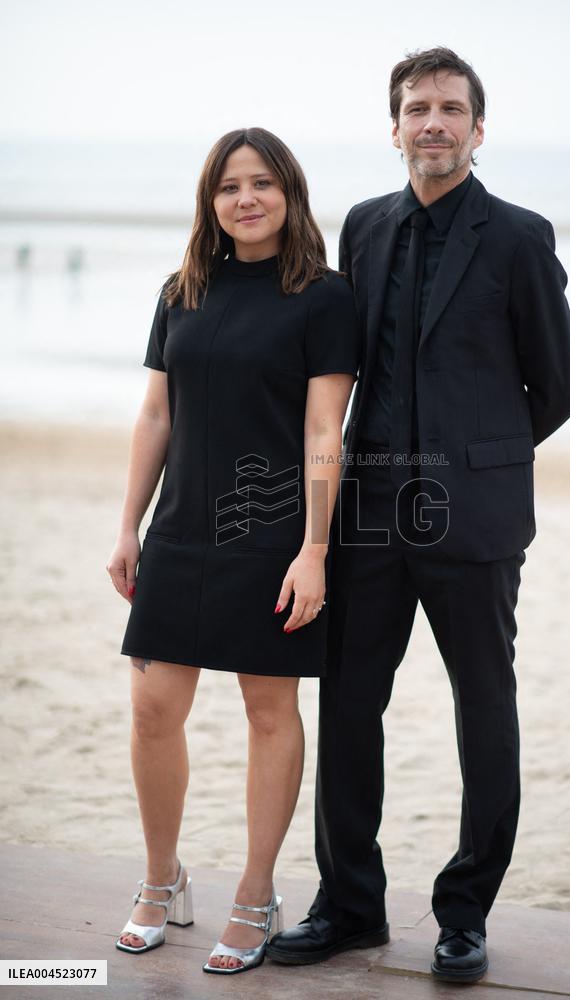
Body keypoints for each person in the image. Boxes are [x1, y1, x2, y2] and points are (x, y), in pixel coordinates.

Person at [267, 47, 570, 983]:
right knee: (348, 706)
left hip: (473, 518)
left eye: (450, 108)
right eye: (417, 108)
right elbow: (342, 364)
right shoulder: (365, 228)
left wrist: (480, 455)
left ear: (479, 129)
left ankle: (465, 913)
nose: (433, 122)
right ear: (395, 128)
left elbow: (559, 383)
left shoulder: (519, 237)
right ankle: (350, 906)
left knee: (483, 709)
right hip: (368, 512)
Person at [105, 127, 360, 975]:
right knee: (152, 709)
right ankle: (161, 879)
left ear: (289, 193)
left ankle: (257, 893)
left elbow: (324, 430)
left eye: (261, 183)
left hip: (272, 536)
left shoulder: (324, 298)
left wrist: (314, 549)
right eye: (228, 186)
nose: (245, 199)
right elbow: (156, 414)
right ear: (210, 201)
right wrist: (128, 525)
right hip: (179, 531)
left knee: (268, 711)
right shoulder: (182, 290)